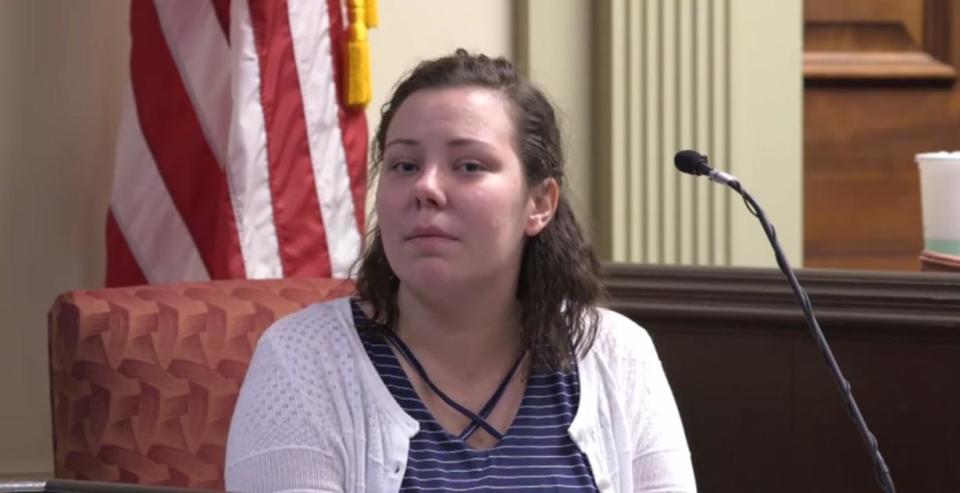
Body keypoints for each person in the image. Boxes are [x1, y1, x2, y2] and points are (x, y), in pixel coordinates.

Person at [225, 49, 696, 492]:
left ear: (539, 203)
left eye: (468, 166)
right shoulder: (303, 359)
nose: (425, 188)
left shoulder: (616, 352)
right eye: (404, 165)